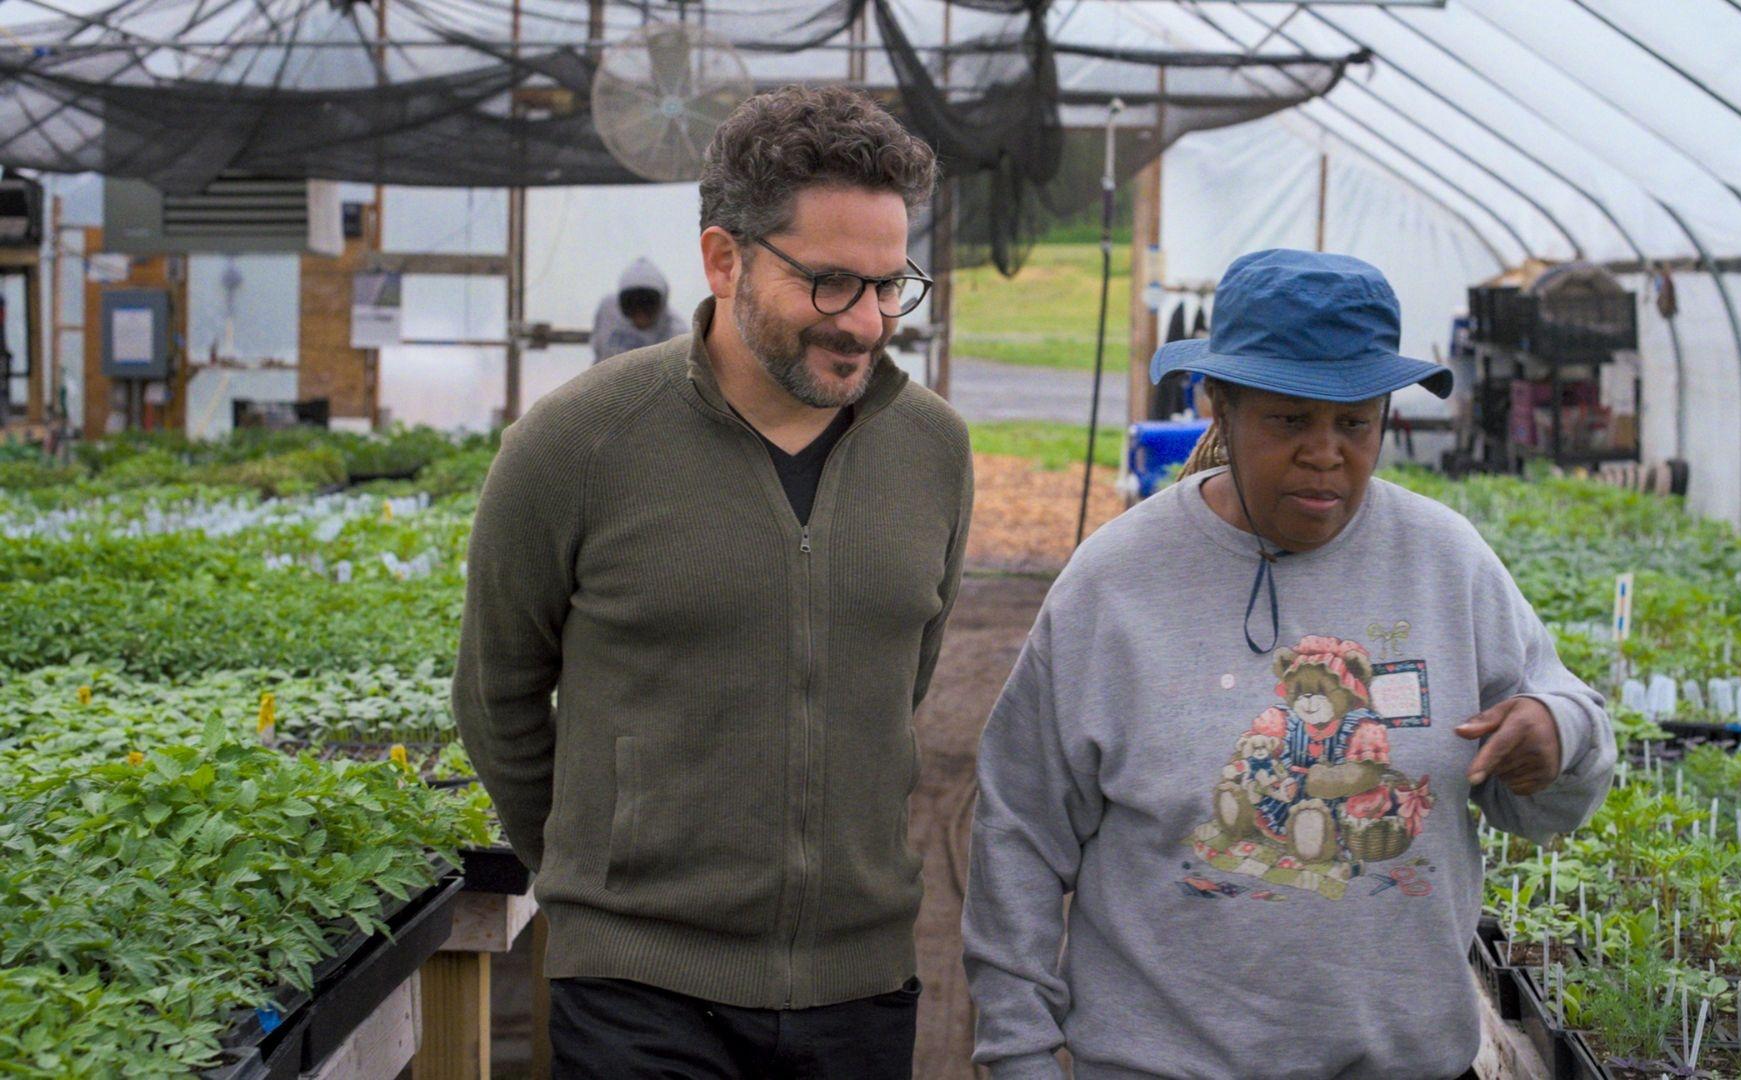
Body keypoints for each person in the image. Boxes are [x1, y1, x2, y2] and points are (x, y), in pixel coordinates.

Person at [962, 249, 1616, 1079]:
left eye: (1355, 423)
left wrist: (1555, 735)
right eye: (1288, 420)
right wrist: (1017, 1051)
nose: (1325, 454)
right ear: (1220, 407)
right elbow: (1018, 830)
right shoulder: (1117, 583)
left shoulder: (1445, 563)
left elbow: (1556, 779)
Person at [454, 85, 970, 1079]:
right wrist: (598, 872)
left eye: (890, 283)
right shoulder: (579, 443)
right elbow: (497, 691)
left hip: (858, 991)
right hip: (639, 998)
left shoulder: (933, 453)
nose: (866, 322)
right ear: (724, 258)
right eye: (830, 284)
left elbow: (899, 684)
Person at [589, 256, 688, 363]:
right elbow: (597, 348)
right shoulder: (608, 311)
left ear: (662, 303)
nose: (640, 315)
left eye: (648, 305)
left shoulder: (677, 336)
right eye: (631, 304)